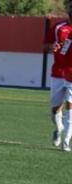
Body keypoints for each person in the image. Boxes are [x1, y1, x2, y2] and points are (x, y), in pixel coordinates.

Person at [44, 6, 72, 151]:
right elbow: (46, 46)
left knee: (70, 107)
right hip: (58, 73)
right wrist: (52, 47)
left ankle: (66, 141)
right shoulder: (59, 28)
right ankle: (59, 129)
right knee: (55, 110)